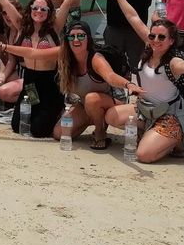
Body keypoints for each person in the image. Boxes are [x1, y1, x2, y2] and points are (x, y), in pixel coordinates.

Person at [104, 0, 184, 162]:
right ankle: (150, 132)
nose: (156, 41)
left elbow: (182, 66)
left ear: (171, 41)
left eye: (162, 38)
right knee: (112, 116)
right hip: (145, 110)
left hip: (168, 115)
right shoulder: (149, 47)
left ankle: (177, 139)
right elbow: (132, 17)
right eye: (153, 36)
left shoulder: (172, 60)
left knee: (144, 155)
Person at [0, 0, 87, 138]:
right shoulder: (22, 27)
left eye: (43, 9)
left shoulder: (54, 28)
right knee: (18, 127)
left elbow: (68, 2)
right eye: (35, 8)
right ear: (30, 10)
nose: (39, 12)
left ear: (49, 12)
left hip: (50, 84)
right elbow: (6, 3)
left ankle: (60, 110)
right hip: (30, 82)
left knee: (39, 131)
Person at [57, 19, 145, 149]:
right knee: (59, 134)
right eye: (71, 36)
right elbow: (34, 53)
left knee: (91, 98)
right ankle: (92, 118)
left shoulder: (96, 59)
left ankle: (100, 132)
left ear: (88, 39)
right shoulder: (65, 57)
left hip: (109, 103)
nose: (76, 40)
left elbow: (110, 76)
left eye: (81, 36)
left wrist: (128, 84)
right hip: (84, 105)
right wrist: (14, 48)